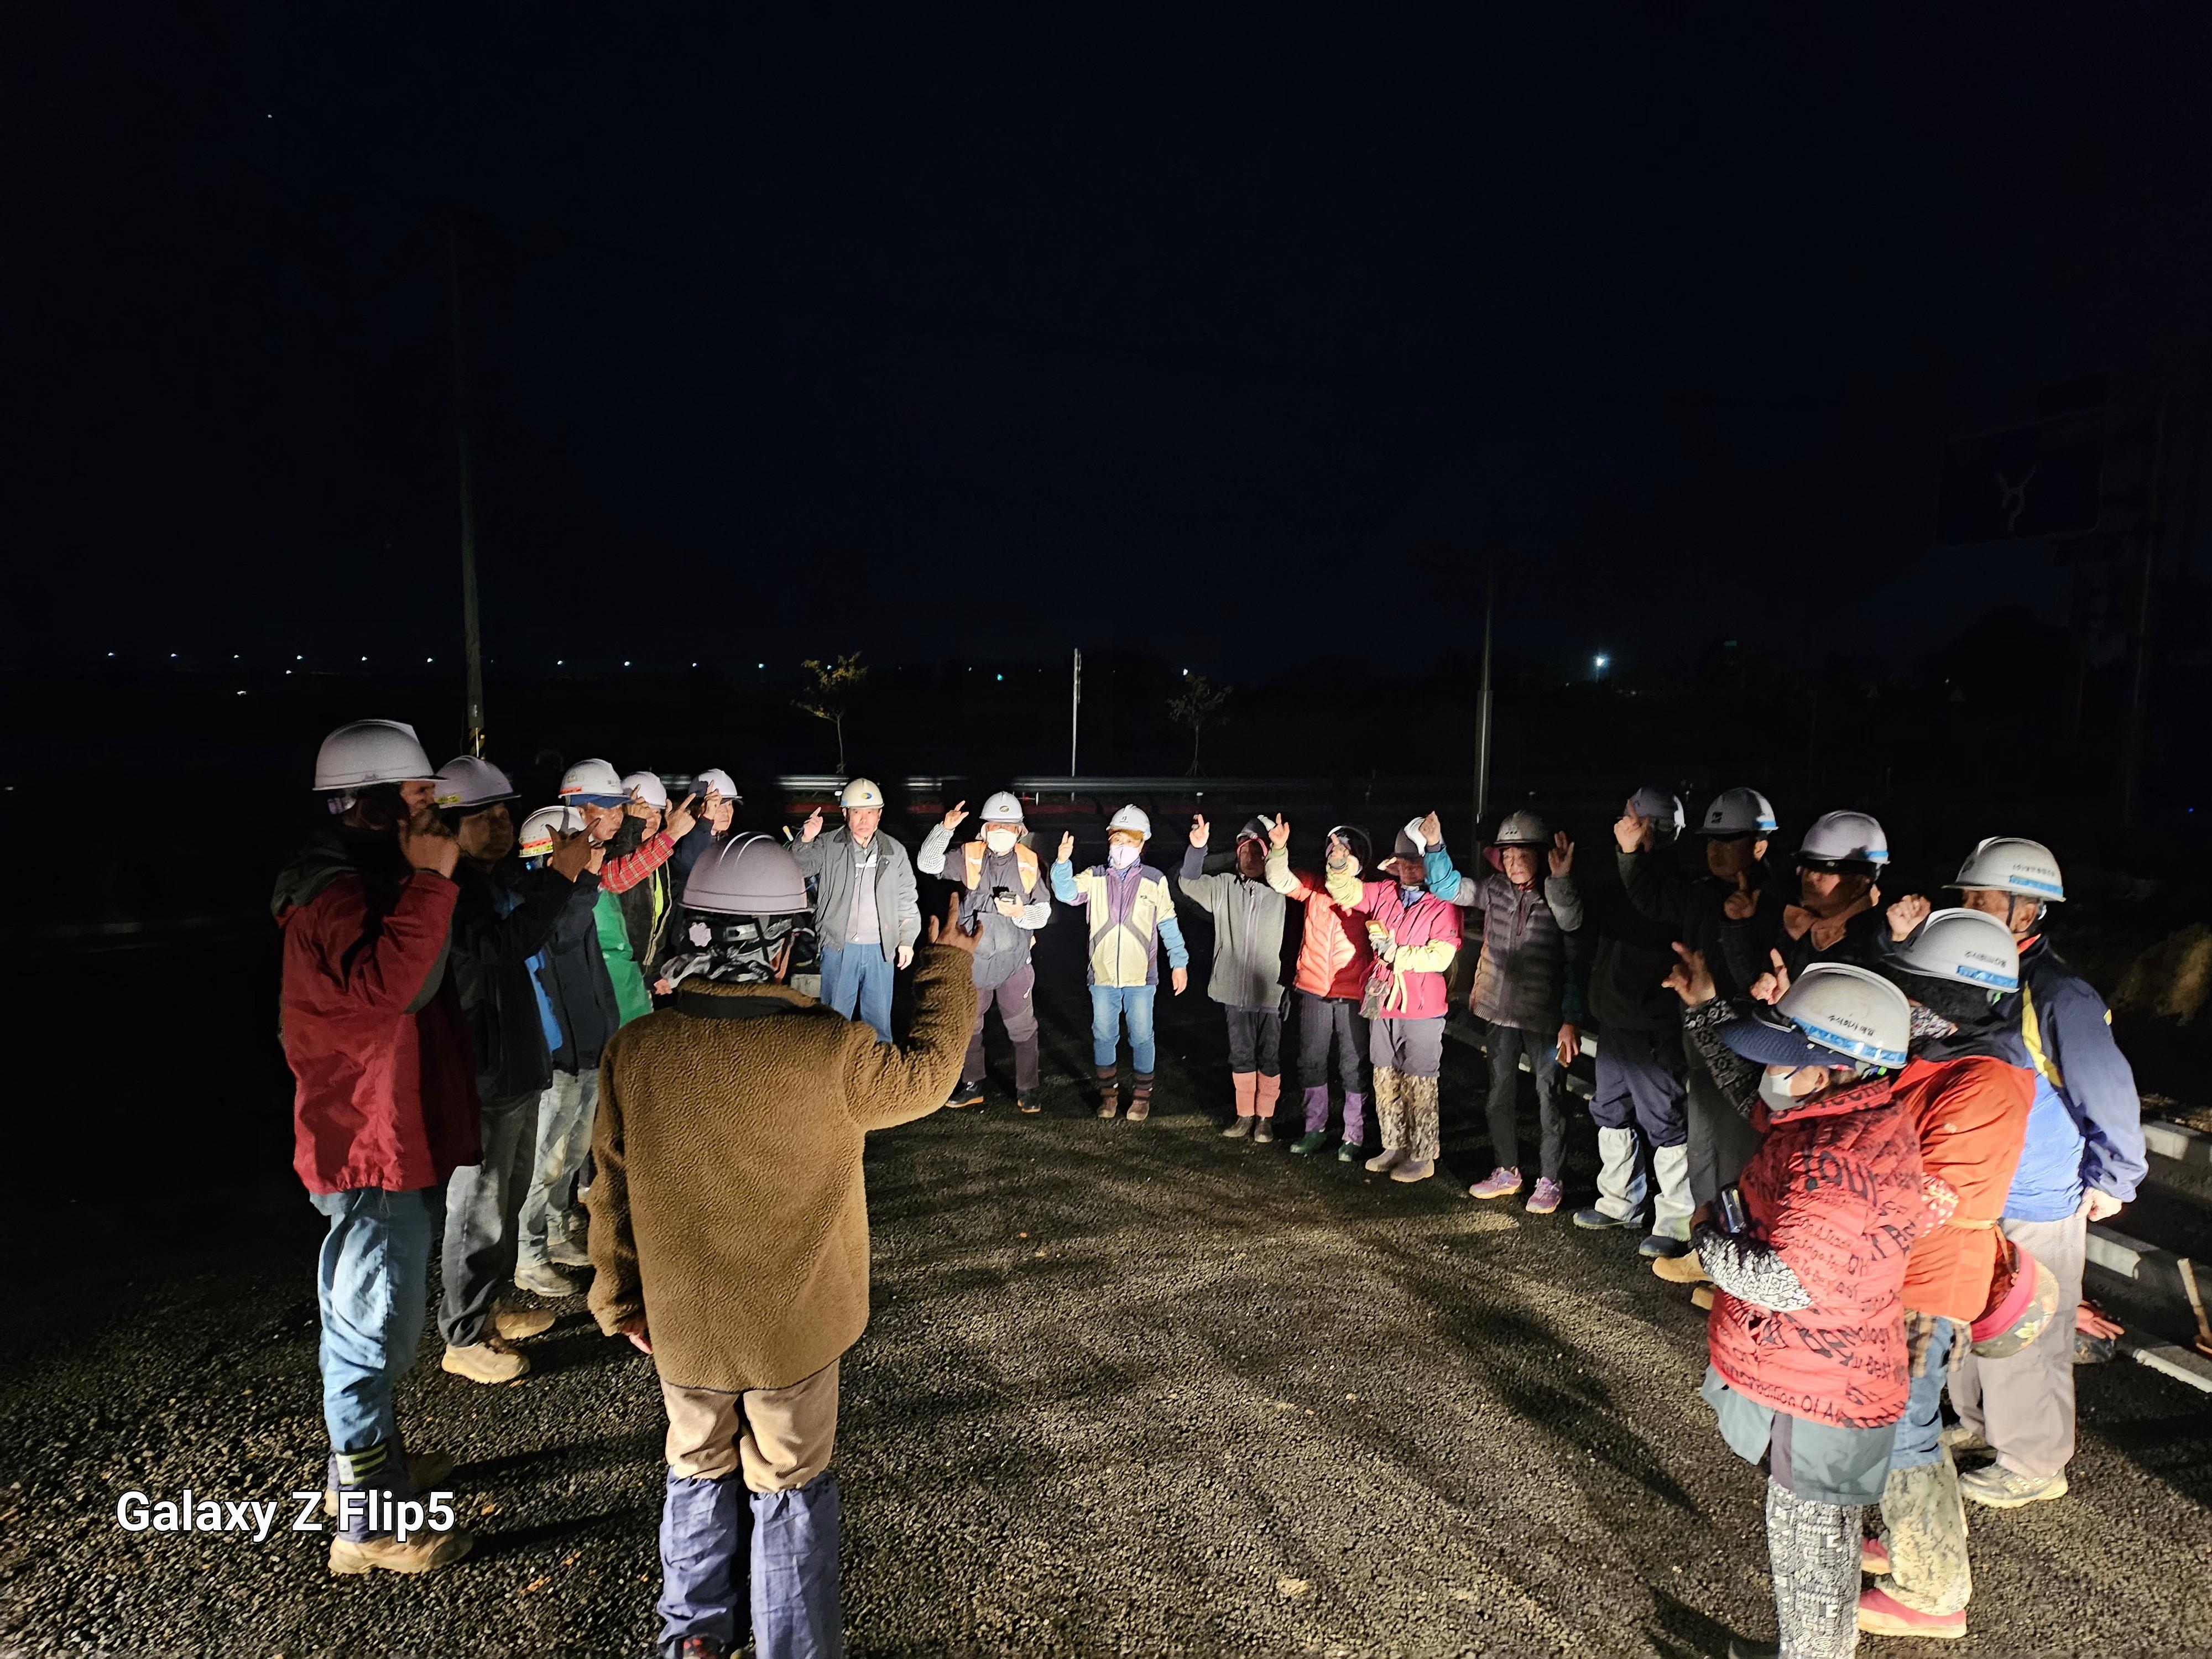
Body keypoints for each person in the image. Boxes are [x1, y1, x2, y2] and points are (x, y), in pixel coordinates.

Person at [587, 833, 979, 1659]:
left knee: (696, 1466)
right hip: (792, 1335)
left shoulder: (638, 1050)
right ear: (787, 945)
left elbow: (610, 1189)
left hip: (684, 1329)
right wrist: (946, 968)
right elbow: (931, 1075)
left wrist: (618, 1300)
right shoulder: (830, 1051)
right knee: (789, 1482)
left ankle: (693, 1639)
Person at [1668, 952, 1932, 1659]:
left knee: (1810, 1546)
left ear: (1831, 1068)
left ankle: (1812, 1652)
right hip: (1826, 1374)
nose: (1771, 1072)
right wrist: (1705, 1007)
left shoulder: (1837, 1158)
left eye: (1786, 1058)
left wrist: (1708, 1239)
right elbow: (1751, 1096)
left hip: (1821, 1387)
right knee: (1813, 1541)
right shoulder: (1845, 1117)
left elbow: (1786, 1281)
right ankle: (1811, 1647)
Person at [273, 720, 474, 1574]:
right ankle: (369, 1524)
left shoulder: (352, 883)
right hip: (368, 1143)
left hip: (369, 1131)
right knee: (370, 1336)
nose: (434, 807)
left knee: (364, 1326)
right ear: (371, 804)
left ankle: (368, 1471)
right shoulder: (335, 898)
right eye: (418, 793)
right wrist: (432, 882)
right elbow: (394, 988)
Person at [1928, 840, 2146, 1514]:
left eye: (1980, 898)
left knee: (2028, 1336)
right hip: (1979, 1194)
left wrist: (2115, 1176)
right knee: (1972, 1319)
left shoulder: (2057, 995)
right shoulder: (1973, 977)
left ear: (2026, 909)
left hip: (2037, 1195)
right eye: (1965, 897)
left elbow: (2107, 1090)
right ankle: (1978, 1423)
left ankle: (2033, 1462)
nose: (1965, 909)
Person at [1856, 907, 2036, 1644]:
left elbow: (1922, 1196)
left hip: (1928, 1282)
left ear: (1952, 999)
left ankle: (1933, 1592)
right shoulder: (1952, 1055)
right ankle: (1909, 1542)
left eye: (1918, 990)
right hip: (1906, 1272)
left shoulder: (1984, 1082)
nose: (1906, 1004)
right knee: (1895, 1424)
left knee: (1908, 1430)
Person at [431, 757, 596, 1384]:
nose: (501, 824)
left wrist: (566, 875)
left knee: (505, 1194)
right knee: (479, 1205)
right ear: (450, 825)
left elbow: (546, 922)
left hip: (518, 1060)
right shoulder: (447, 888)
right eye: (485, 816)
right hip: (485, 1068)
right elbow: (502, 945)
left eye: (505, 812)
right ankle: (464, 1335)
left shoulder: (495, 879)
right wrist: (560, 875)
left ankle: (489, 1308)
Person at [1616, 786, 1787, 1291]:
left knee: (1738, 1151)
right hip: (1699, 1033)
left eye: (1728, 840)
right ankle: (1707, 1247)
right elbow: (1651, 898)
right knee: (1704, 1146)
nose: (1715, 849)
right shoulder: (1701, 894)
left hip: (1750, 1045)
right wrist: (1630, 855)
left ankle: (1739, 1262)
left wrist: (1745, 928)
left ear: (1759, 845)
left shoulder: (1778, 904)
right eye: (1712, 839)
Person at [1422, 809, 1585, 1213]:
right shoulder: (1493, 889)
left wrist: (1571, 1018)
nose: (1513, 862)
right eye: (1507, 855)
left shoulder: (1557, 894)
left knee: (1550, 1097)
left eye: (1522, 854)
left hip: (1544, 1017)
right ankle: (1506, 1170)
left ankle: (1551, 1178)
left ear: (1542, 854)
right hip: (1498, 1012)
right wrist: (1435, 846)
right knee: (1498, 1094)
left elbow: (1574, 942)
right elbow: (1448, 887)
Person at [1572, 787, 1696, 1259]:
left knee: (1665, 1120)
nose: (1619, 822)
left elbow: (1648, 914)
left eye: (1629, 816)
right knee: (1609, 1109)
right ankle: (1620, 1202)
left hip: (1650, 1023)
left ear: (1648, 826)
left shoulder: (1669, 881)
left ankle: (1677, 1222)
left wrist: (1630, 860)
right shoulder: (1625, 872)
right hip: (1617, 1020)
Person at [510, 802, 620, 1300]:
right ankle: (527, 1255)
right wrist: (580, 882)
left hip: (585, 1049)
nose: (597, 854)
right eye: (587, 847)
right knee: (544, 1161)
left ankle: (554, 1232)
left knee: (570, 1152)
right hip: (557, 1057)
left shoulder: (574, 899)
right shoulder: (537, 905)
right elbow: (561, 938)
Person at [1312, 818, 1461, 1184]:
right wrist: (1338, 864)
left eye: (1416, 861)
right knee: (1384, 1075)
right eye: (1403, 861)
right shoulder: (1384, 892)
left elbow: (1441, 956)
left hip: (1422, 1006)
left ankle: (1422, 1155)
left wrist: (1396, 954)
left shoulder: (1444, 904)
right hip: (1383, 1002)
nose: (1409, 868)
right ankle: (1393, 1146)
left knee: (1420, 1080)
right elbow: (1347, 893)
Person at [1050, 805, 1190, 1121]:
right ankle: (1109, 1096)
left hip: (1141, 978)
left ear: (1143, 844)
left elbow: (1168, 923)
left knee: (1141, 1037)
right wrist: (1062, 863)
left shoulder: (1154, 880)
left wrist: (1179, 962)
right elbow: (1065, 892)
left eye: (1130, 841)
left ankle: (1141, 1098)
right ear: (1109, 841)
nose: (1122, 847)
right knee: (1103, 1036)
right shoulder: (1095, 876)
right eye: (1117, 840)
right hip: (1102, 978)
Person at [915, 791, 1051, 1112]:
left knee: (1022, 1027)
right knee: (970, 1025)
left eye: (1008, 827)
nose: (1001, 832)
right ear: (984, 829)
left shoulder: (1030, 862)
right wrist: (944, 830)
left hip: (1014, 962)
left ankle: (1027, 1088)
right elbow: (927, 864)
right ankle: (972, 1085)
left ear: (1019, 831)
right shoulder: (969, 855)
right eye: (995, 826)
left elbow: (1044, 913)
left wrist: (1020, 913)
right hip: (973, 962)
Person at [1177, 815, 1296, 1142]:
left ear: (1267, 855)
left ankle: (1265, 1118)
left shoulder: (1282, 889)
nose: (1250, 858)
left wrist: (1280, 850)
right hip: (1234, 991)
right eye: (1244, 851)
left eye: (1257, 851)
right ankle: (1245, 1115)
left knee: (1269, 1056)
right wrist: (1197, 850)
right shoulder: (1223, 887)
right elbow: (1187, 883)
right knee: (1241, 1054)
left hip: (1270, 990)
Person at [1264, 819, 1375, 1160]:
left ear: (1360, 858)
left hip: (1352, 992)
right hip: (1313, 987)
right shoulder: (1314, 885)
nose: (1337, 855)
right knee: (1311, 1060)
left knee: (1353, 1064)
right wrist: (1279, 849)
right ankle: (1315, 1128)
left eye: (1345, 850)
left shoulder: (1368, 894)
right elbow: (1281, 880)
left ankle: (1353, 1134)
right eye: (1332, 850)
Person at [790, 778, 921, 1044]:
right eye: (857, 812)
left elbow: (907, 897)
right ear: (845, 813)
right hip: (839, 947)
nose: (864, 819)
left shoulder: (894, 851)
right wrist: (806, 839)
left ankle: (878, 1067)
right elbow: (800, 868)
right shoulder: (828, 845)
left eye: (871, 812)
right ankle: (832, 1066)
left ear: (880, 814)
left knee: (879, 1025)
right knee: (834, 1023)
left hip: (881, 949)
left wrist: (907, 940)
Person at [1734, 810, 1892, 1001]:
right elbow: (1747, 990)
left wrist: (1788, 1004)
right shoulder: (1792, 924)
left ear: (1859, 884)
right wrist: (1738, 926)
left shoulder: (1875, 943)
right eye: (1807, 866)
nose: (1810, 877)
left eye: (1826, 869)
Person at [668, 766, 742, 888]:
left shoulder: (730, 843)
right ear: (698, 807)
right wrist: (706, 820)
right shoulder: (679, 840)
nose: (726, 812)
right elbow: (690, 865)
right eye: (718, 805)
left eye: (730, 805)